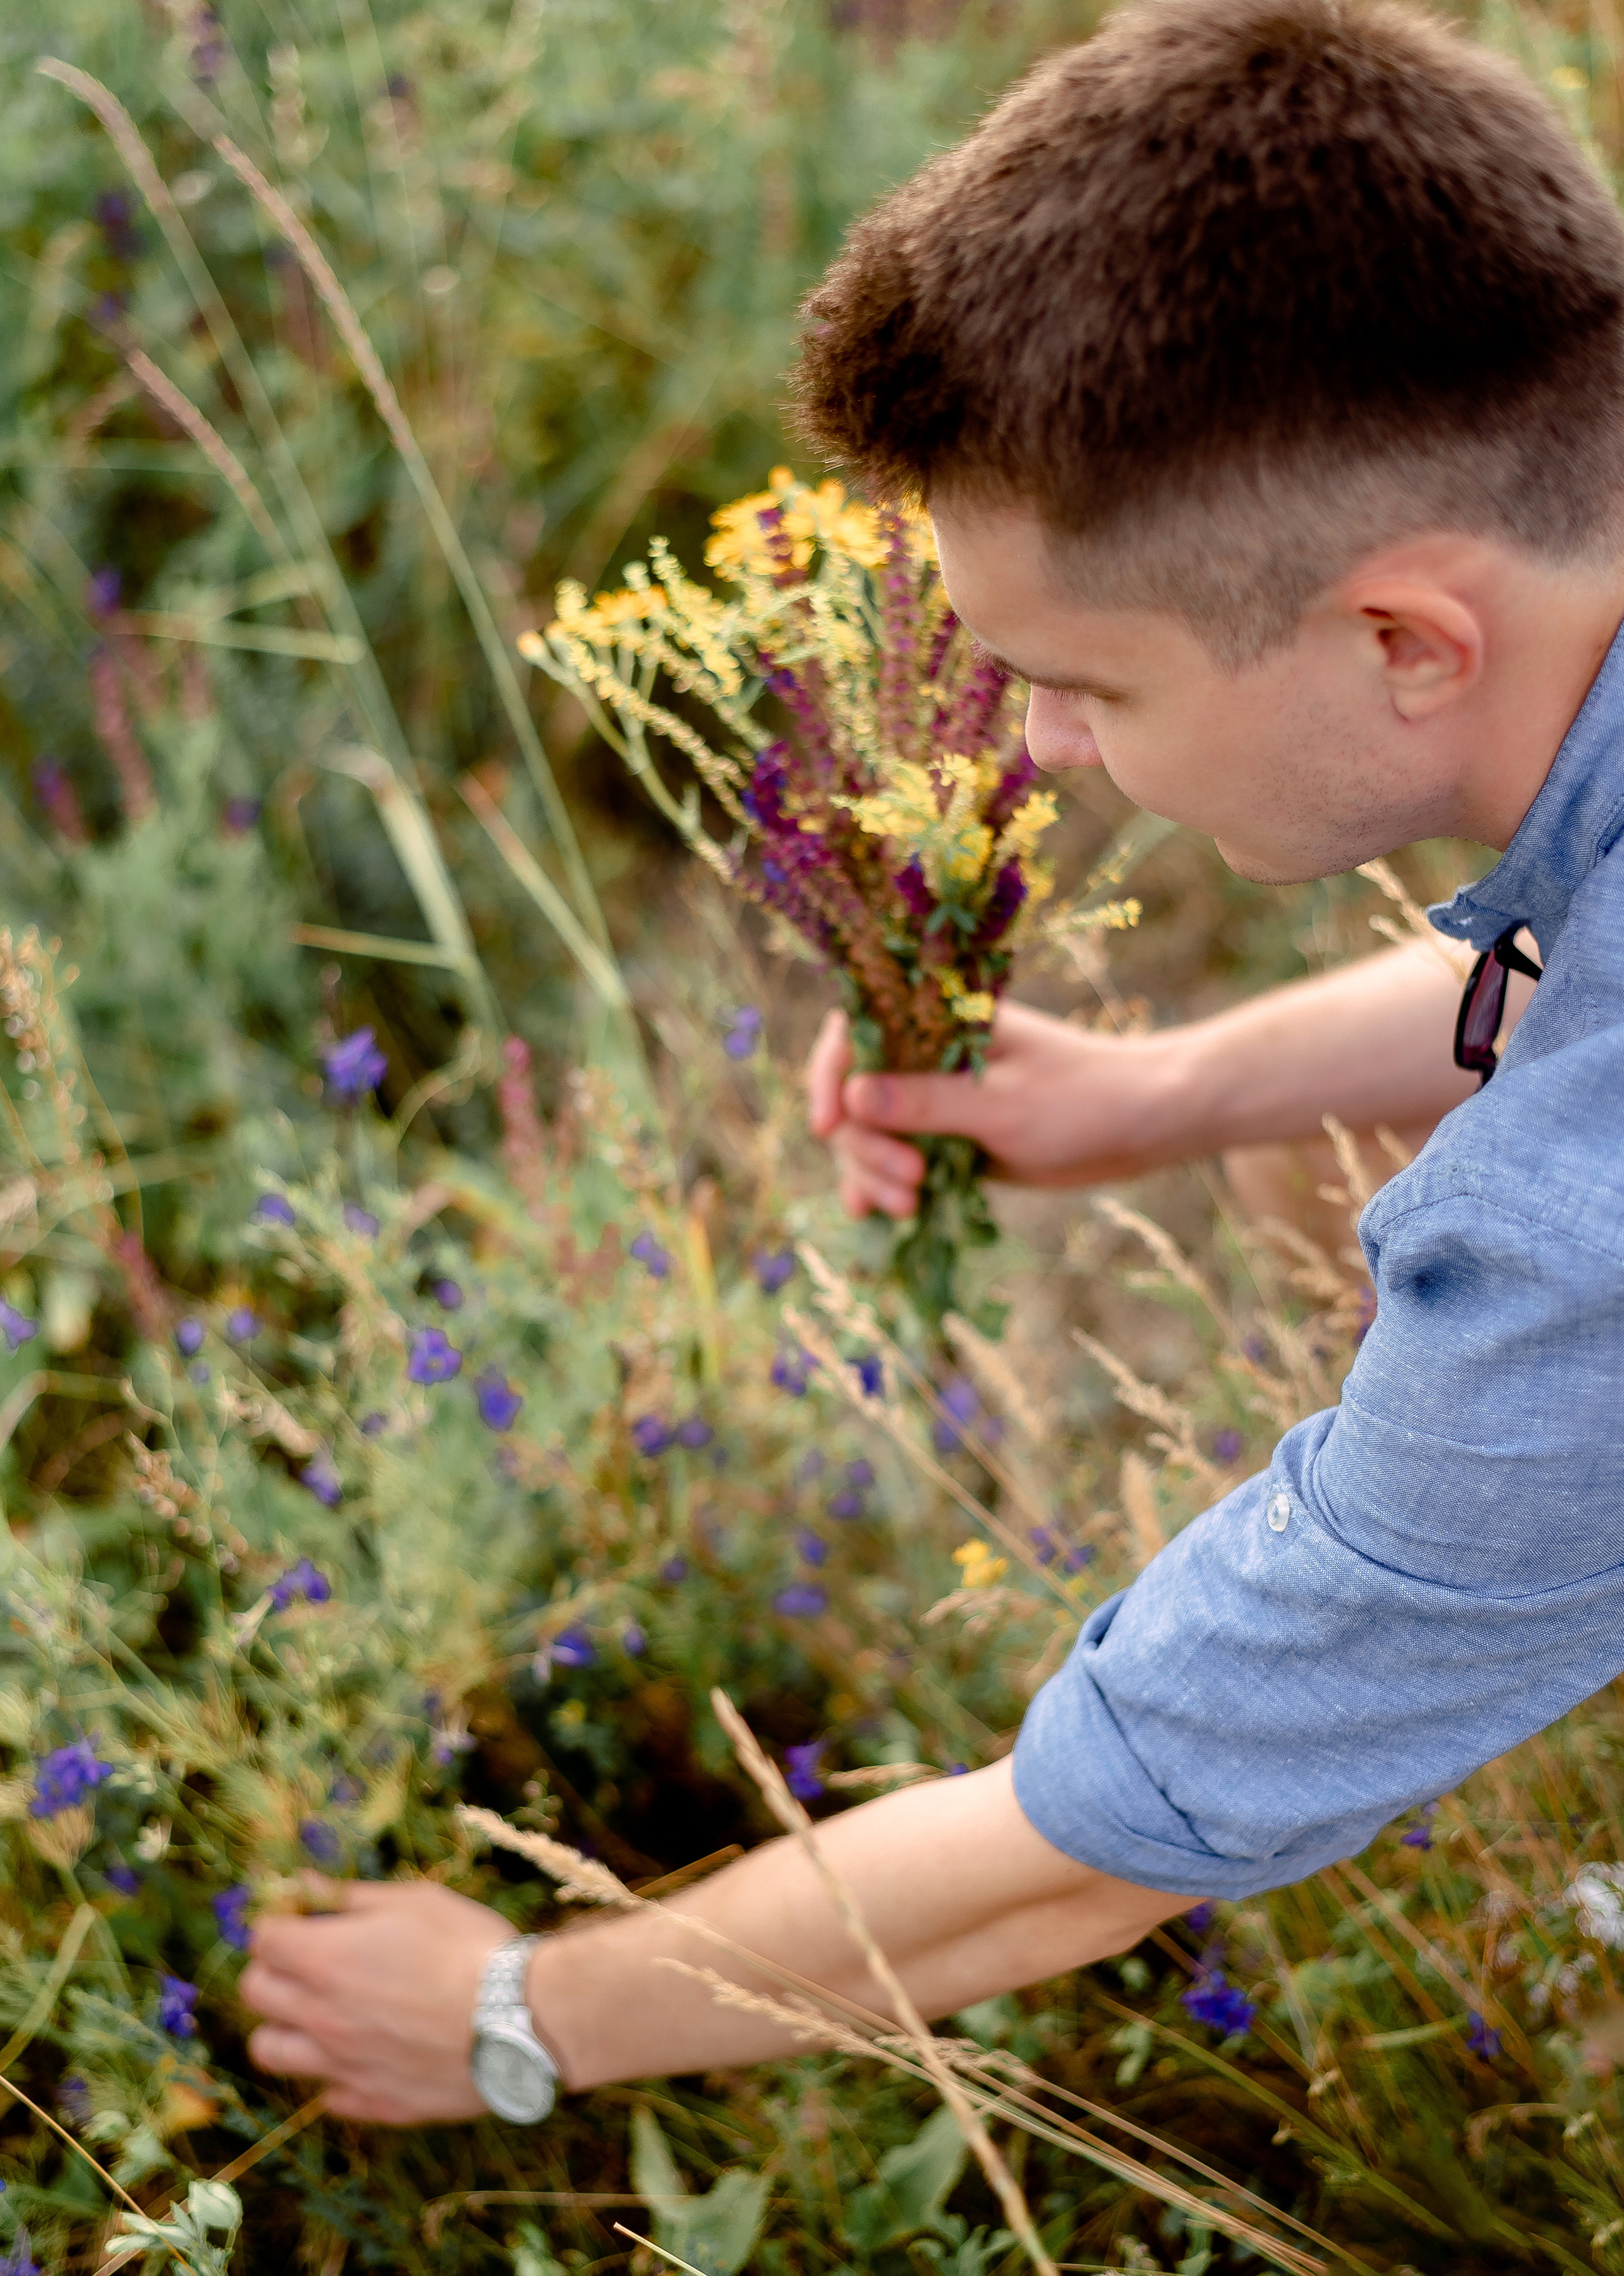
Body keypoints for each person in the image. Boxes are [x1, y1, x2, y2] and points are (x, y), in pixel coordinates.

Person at [242, 0, 1624, 2125]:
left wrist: (521, 2009)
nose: (1043, 748)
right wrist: (1162, 1094)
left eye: (1084, 683)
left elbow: (1129, 1811)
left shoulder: (1571, 1257)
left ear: (1404, 639)